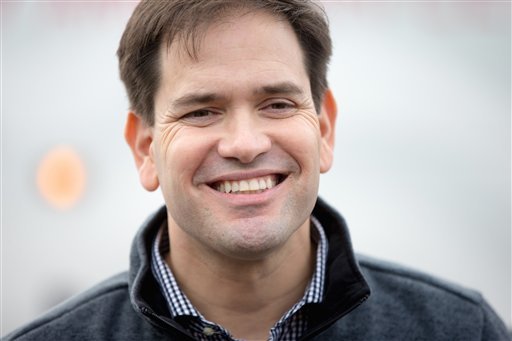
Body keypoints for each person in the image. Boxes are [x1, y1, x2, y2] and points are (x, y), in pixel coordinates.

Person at [5, 1, 509, 340]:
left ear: (325, 129)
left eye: (277, 104)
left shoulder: (462, 329)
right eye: (201, 111)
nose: (245, 144)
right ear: (144, 148)